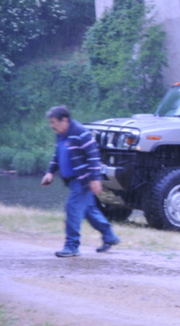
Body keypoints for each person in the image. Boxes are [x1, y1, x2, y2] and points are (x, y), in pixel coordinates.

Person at [41, 105, 121, 257]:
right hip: (72, 180)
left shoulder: (80, 132)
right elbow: (57, 155)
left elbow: (93, 156)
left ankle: (72, 246)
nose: (51, 126)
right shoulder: (61, 134)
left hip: (82, 180)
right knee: (89, 210)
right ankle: (109, 236)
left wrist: (95, 179)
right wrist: (50, 172)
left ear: (64, 120)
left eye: (53, 122)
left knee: (72, 208)